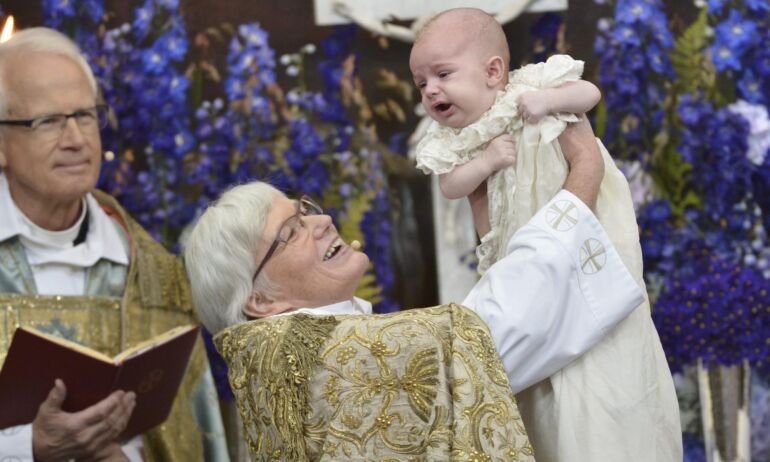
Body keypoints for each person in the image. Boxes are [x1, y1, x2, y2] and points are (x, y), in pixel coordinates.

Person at [184, 116, 647, 456]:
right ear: (260, 300)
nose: (322, 221)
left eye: (304, 210)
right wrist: (584, 174)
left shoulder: (272, 354)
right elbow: (488, 337)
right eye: (291, 232)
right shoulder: (310, 352)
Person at [410, 8, 681, 461]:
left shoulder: (533, 90)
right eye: (421, 83)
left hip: (579, 248)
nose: (431, 90)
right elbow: (451, 185)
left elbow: (590, 93)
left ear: (493, 71)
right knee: (540, 395)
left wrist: (550, 103)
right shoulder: (459, 141)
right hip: (519, 271)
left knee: (599, 375)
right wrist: (487, 162)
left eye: (442, 74)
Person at [0, 28, 229, 461]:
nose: (76, 139)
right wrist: (27, 447)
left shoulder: (156, 278)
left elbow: (192, 434)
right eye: (48, 121)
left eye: (85, 115)